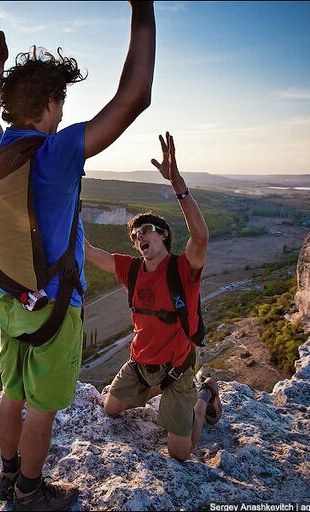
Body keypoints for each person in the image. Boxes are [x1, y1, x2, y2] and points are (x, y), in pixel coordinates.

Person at [0, 4, 156, 509]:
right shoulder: (56, 153)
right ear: (52, 103)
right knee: (42, 407)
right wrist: (142, 11)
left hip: (10, 297)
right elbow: (135, 97)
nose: (63, 112)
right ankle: (30, 493)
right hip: (55, 307)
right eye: (61, 101)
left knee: (10, 392)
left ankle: (7, 476)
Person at [85, 132, 222, 462]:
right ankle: (156, 393)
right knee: (110, 408)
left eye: (145, 231)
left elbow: (201, 237)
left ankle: (204, 396)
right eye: (135, 236)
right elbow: (91, 252)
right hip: (139, 364)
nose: (138, 237)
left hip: (176, 370)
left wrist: (178, 185)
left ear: (163, 235)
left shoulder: (182, 270)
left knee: (180, 453)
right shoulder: (131, 269)